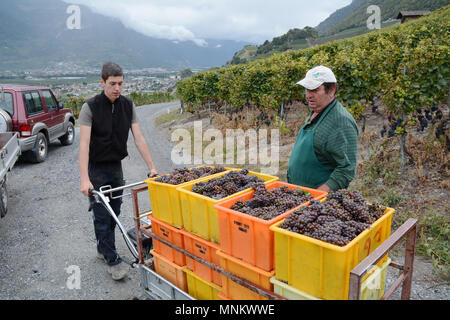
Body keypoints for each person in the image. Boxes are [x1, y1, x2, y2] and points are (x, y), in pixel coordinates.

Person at [78, 62, 157, 280]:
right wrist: (85, 179)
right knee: (102, 214)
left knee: (115, 210)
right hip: (96, 168)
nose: (117, 88)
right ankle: (112, 259)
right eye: (112, 83)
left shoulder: (127, 105)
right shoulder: (90, 107)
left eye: (120, 83)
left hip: (115, 167)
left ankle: (103, 247)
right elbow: (84, 144)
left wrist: (151, 167)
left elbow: (138, 138)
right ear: (102, 81)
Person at [287, 65, 358, 192]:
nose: (308, 95)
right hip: (299, 195)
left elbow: (346, 169)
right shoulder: (317, 111)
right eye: (307, 89)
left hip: (318, 204)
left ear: (331, 90)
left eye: (314, 90)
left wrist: (318, 196)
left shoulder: (341, 122)